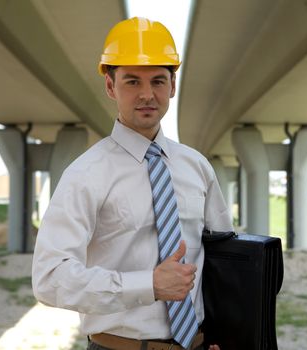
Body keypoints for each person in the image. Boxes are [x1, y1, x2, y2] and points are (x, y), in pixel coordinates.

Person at [32, 17, 232, 350]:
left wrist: (227, 332)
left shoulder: (197, 167)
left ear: (173, 85)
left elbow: (223, 260)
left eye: (157, 80)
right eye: (132, 82)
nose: (147, 95)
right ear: (110, 87)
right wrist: (148, 285)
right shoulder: (85, 174)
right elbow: (49, 278)